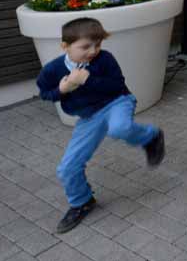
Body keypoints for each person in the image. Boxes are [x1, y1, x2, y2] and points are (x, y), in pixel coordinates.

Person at [36, 18, 165, 234]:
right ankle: (82, 202)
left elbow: (117, 85)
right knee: (67, 168)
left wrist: (87, 80)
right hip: (89, 117)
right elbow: (45, 93)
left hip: (117, 102)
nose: (93, 51)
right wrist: (62, 90)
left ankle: (151, 137)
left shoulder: (104, 59)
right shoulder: (52, 70)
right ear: (65, 46)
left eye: (98, 44)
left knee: (119, 128)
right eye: (85, 46)